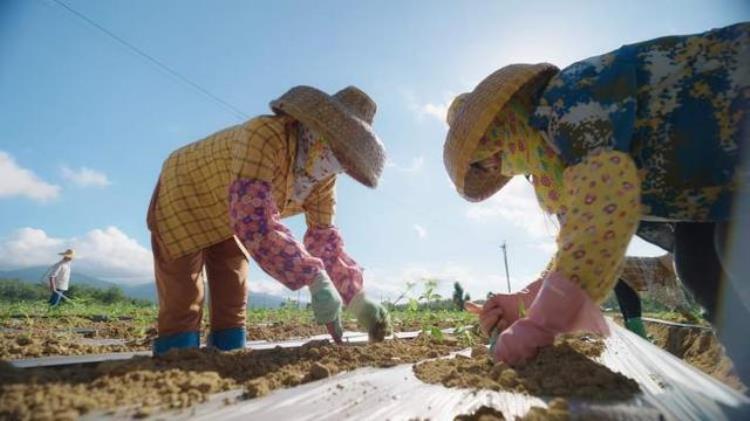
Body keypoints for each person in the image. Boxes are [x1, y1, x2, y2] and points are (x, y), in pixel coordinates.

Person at [445, 22, 749, 378]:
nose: (494, 165)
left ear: (504, 120)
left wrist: (541, 324)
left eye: (486, 154)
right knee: (700, 264)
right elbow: (574, 244)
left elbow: (600, 223)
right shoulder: (551, 150)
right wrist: (525, 299)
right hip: (716, 184)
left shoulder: (569, 105)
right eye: (483, 165)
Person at [147, 85, 390, 354]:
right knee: (183, 293)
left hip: (230, 215)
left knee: (233, 287)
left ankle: (227, 355)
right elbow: (254, 220)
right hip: (185, 194)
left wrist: (357, 298)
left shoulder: (321, 180)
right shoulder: (264, 136)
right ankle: (176, 359)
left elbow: (324, 239)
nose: (335, 163)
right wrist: (314, 276)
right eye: (336, 149)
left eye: (344, 160)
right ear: (314, 128)